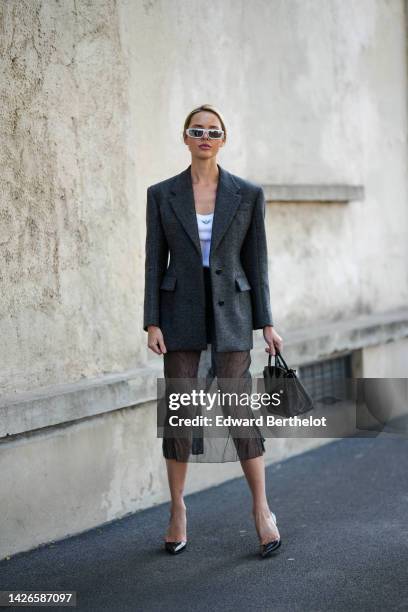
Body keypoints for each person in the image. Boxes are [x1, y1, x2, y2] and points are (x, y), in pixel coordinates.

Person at [143, 104, 284, 558]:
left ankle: (262, 510)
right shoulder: (162, 194)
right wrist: (151, 320)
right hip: (179, 313)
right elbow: (153, 263)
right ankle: (178, 510)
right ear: (185, 138)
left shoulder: (247, 193)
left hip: (233, 316)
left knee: (239, 411)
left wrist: (267, 322)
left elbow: (256, 263)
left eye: (213, 130)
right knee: (180, 412)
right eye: (196, 130)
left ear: (224, 139)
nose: (205, 136)